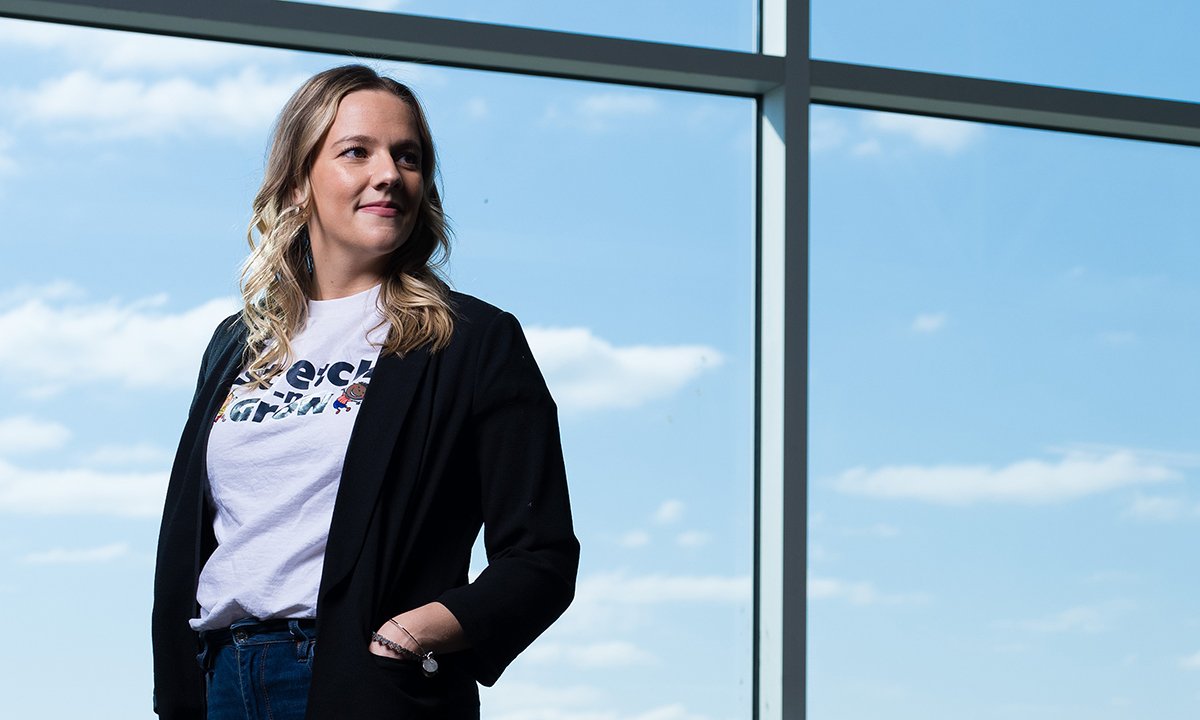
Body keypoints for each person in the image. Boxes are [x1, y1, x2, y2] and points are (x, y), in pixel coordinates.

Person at [152, 64, 579, 720]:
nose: (389, 173)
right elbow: (198, 538)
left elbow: (541, 557)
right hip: (221, 683)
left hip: (366, 685)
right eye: (357, 151)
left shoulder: (471, 341)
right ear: (297, 185)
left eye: (408, 157)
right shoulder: (236, 344)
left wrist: (417, 632)